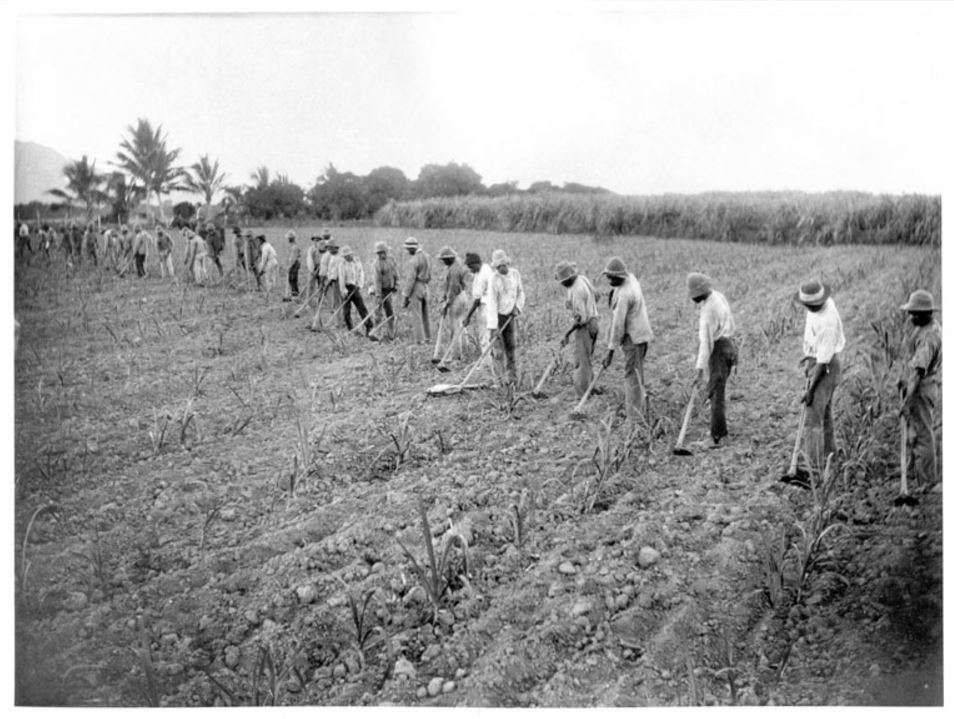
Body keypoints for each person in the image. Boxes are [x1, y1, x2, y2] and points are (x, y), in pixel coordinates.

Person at [797, 279, 846, 476]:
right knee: (824, 414)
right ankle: (830, 455)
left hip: (825, 368)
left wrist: (810, 390)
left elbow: (823, 362)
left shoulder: (828, 323)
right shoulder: (821, 304)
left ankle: (814, 468)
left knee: (812, 419)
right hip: (818, 361)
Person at [601, 257, 654, 427]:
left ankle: (634, 421)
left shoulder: (624, 294)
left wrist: (610, 351)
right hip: (642, 334)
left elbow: (618, 326)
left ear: (620, 277)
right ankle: (640, 411)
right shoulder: (631, 278)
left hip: (634, 338)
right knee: (637, 375)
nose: (609, 280)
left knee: (631, 377)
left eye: (611, 277)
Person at [687, 272, 737, 448]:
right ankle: (719, 432)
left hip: (718, 350)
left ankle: (717, 436)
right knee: (718, 390)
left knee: (716, 392)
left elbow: (706, 344)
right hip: (729, 346)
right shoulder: (717, 296)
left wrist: (699, 369)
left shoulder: (708, 311)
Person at [899, 289, 941, 486]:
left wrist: (907, 401)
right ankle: (917, 473)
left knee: (923, 435)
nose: (910, 316)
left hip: (921, 388)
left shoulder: (928, 338)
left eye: (913, 313)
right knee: (917, 431)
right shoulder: (928, 328)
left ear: (925, 314)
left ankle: (926, 483)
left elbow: (918, 372)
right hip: (921, 385)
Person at [555, 260, 600, 397]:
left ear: (568, 279)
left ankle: (582, 394)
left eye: (562, 281)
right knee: (587, 358)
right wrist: (590, 306)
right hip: (594, 322)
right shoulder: (582, 279)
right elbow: (597, 295)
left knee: (580, 361)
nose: (561, 284)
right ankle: (590, 387)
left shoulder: (576, 291)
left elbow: (580, 319)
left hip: (585, 327)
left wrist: (567, 334)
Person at [486, 249, 526, 386]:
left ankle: (513, 379)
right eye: (498, 266)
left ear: (507, 264)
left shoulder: (515, 274)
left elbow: (521, 293)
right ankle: (499, 381)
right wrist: (493, 327)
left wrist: (517, 307)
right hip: (497, 318)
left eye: (503, 265)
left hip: (510, 316)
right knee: (497, 351)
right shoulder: (493, 279)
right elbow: (491, 303)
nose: (501, 268)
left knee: (511, 347)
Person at [433, 246, 471, 364]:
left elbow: (453, 288)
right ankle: (466, 351)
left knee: (455, 328)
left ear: (450, 258)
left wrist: (447, 303)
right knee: (461, 326)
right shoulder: (456, 265)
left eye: (444, 259)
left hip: (456, 298)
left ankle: (456, 357)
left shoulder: (454, 269)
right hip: (462, 296)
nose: (443, 261)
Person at [462, 252, 497, 369]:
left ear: (477, 264)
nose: (470, 270)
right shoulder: (485, 268)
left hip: (485, 308)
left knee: (484, 338)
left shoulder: (483, 275)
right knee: (489, 336)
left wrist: (468, 317)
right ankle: (489, 361)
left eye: (471, 267)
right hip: (490, 307)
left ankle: (486, 364)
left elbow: (477, 300)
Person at [338, 246, 374, 336]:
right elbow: (341, 279)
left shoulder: (357, 262)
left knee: (361, 307)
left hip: (355, 287)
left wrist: (359, 285)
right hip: (346, 288)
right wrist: (344, 291)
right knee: (346, 311)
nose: (347, 257)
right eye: (345, 256)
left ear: (351, 254)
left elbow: (361, 273)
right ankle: (351, 329)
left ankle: (369, 327)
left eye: (348, 255)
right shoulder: (342, 265)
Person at [401, 237, 432, 343]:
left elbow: (410, 280)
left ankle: (419, 341)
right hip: (425, 286)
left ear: (412, 248)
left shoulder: (414, 260)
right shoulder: (427, 257)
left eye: (408, 249)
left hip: (417, 286)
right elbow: (430, 275)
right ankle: (428, 338)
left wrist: (405, 297)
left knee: (417, 315)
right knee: (426, 314)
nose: (407, 251)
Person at [372, 241, 400, 340]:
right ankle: (376, 333)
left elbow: (396, 273)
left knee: (390, 312)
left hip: (389, 290)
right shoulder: (377, 264)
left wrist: (396, 284)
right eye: (378, 253)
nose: (380, 255)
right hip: (380, 290)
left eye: (382, 252)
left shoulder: (391, 260)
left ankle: (391, 334)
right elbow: (377, 281)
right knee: (378, 313)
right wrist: (378, 295)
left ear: (386, 251)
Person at [285, 230, 301, 300]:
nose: (288, 239)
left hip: (294, 265)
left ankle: (295, 296)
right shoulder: (293, 246)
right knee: (292, 280)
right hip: (294, 264)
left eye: (289, 238)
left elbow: (293, 259)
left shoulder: (295, 247)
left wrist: (289, 267)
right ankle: (293, 295)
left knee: (292, 280)